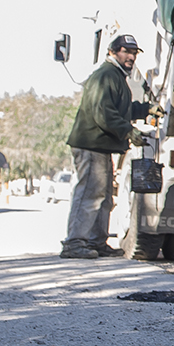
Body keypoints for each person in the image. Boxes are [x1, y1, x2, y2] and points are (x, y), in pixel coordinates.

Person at [62, 34, 149, 259]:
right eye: (125, 51)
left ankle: (96, 241)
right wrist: (128, 131)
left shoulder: (116, 76)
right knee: (90, 194)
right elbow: (104, 112)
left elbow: (121, 109)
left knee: (104, 197)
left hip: (101, 145)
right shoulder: (106, 75)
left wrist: (146, 109)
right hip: (91, 144)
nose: (131, 57)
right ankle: (74, 243)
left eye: (134, 53)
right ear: (112, 52)